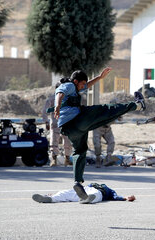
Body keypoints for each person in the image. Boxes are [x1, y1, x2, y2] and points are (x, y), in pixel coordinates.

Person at [54, 67, 145, 204]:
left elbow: (85, 86)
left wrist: (99, 78)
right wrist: (57, 106)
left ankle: (78, 182)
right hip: (77, 120)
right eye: (82, 83)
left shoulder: (74, 88)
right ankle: (137, 105)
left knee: (80, 151)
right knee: (105, 110)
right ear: (75, 81)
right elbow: (60, 93)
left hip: (69, 129)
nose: (84, 86)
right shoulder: (68, 85)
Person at [42, 83, 73, 167]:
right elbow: (45, 111)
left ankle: (66, 159)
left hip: (64, 122)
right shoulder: (53, 99)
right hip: (57, 122)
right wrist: (46, 122)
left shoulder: (65, 98)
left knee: (66, 141)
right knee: (55, 141)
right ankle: (54, 159)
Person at [32, 182, 136, 204]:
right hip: (84, 190)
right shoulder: (90, 185)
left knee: (95, 194)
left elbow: (115, 196)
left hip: (96, 193)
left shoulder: (106, 189)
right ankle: (50, 198)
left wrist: (125, 198)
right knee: (65, 193)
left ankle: (87, 199)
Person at [92, 99, 121, 168]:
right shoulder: (104, 110)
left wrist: (119, 115)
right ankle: (98, 158)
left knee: (111, 142)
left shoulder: (117, 111)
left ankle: (108, 157)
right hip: (98, 128)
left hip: (107, 129)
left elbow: (120, 119)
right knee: (97, 144)